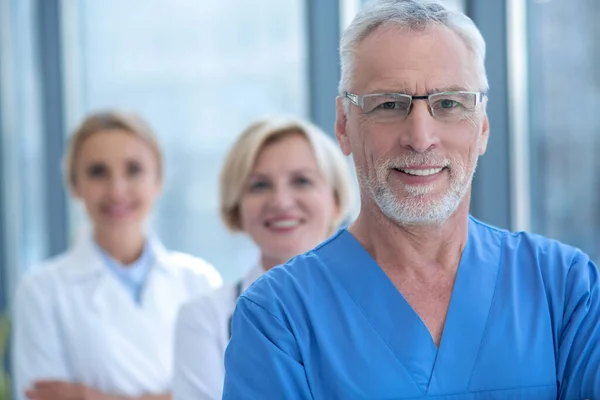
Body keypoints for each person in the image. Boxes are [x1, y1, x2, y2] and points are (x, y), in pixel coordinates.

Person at [222, 1, 600, 399]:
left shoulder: (564, 289)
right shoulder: (279, 317)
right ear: (343, 126)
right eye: (388, 104)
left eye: (449, 104)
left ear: (483, 126)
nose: (420, 138)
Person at [12, 111, 223, 400]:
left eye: (134, 170)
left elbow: (224, 392)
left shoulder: (198, 280)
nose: (117, 189)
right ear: (74, 185)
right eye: (98, 172)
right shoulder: (41, 291)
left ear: (158, 181)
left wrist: (90, 397)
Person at [172, 117, 354, 400]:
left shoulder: (374, 303)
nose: (280, 201)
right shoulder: (205, 318)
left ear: (336, 199)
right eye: (259, 186)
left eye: (301, 181)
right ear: (236, 206)